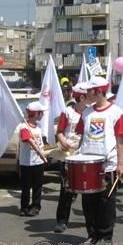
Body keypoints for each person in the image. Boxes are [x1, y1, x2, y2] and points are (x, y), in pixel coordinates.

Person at [75, 76, 123, 245]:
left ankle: (105, 236)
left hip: (107, 164)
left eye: (89, 91)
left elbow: (121, 138)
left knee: (105, 202)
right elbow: (81, 136)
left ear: (98, 91)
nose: (86, 94)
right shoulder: (87, 113)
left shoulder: (116, 112)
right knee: (88, 202)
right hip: (87, 163)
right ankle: (92, 234)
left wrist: (120, 163)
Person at [53, 82, 88, 233]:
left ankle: (90, 220)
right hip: (68, 156)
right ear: (81, 98)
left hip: (84, 156)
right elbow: (60, 131)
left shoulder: (90, 113)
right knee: (66, 189)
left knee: (87, 191)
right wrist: (63, 142)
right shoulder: (67, 112)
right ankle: (61, 221)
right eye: (87, 97)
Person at [18, 101, 48, 217]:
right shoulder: (24, 127)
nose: (42, 115)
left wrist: (42, 153)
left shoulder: (38, 127)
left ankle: (35, 206)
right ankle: (24, 207)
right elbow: (29, 140)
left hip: (38, 162)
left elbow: (40, 142)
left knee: (37, 185)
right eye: (41, 113)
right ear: (36, 114)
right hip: (27, 162)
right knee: (26, 186)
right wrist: (39, 152)